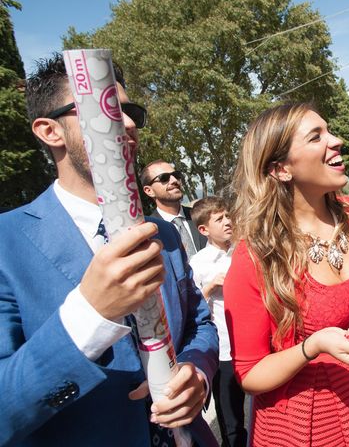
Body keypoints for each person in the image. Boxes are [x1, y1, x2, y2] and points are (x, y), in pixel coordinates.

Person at [0, 53, 219, 446]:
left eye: (130, 110)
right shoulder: (7, 243)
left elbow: (199, 324)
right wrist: (90, 313)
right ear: (50, 130)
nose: (131, 124)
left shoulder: (160, 234)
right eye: (108, 109)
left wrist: (195, 372)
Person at [224, 103, 349, 446]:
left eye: (329, 131)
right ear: (281, 169)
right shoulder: (255, 255)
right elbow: (250, 374)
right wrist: (311, 347)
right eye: (316, 137)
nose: (336, 140)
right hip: (303, 422)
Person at [190, 197, 247, 447]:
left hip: (254, 344)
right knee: (231, 420)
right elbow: (190, 308)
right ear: (203, 229)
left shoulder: (245, 252)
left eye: (227, 216)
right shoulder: (197, 264)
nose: (227, 222)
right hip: (224, 350)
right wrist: (211, 286)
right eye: (219, 219)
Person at [141, 159, 207, 257]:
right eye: (164, 178)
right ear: (149, 191)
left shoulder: (202, 217)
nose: (174, 180)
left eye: (176, 175)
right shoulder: (149, 231)